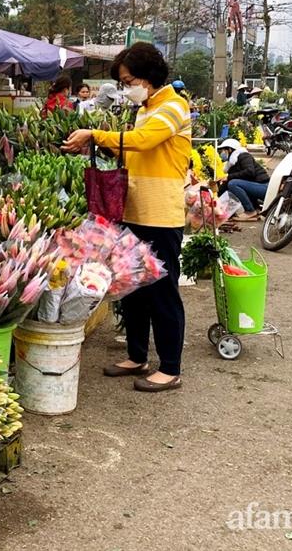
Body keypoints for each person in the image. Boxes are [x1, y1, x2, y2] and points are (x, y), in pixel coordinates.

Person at [63, 42, 190, 393]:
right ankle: (137, 355)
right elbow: (134, 148)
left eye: (129, 80)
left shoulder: (174, 106)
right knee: (133, 287)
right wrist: (98, 144)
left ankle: (171, 367)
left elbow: (146, 141)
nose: (126, 88)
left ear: (149, 76)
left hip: (161, 213)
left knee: (162, 291)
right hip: (133, 208)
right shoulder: (146, 106)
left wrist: (97, 134)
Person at [216, 138, 269, 221]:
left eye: (224, 150)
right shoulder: (233, 164)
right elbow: (227, 184)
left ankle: (250, 211)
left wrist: (229, 177)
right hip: (258, 187)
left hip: (265, 188)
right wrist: (215, 196)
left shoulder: (244, 156)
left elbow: (250, 172)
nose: (222, 153)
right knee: (233, 183)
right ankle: (256, 210)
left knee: (233, 183)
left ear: (230, 150)